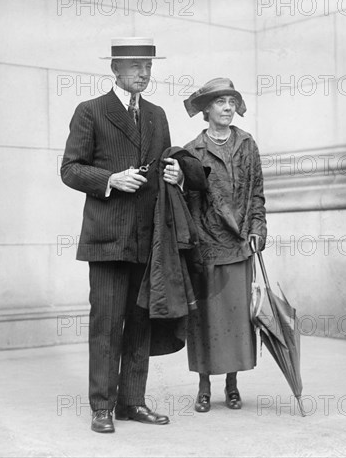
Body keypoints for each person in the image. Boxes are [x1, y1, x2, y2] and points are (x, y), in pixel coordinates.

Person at [60, 37, 183, 433]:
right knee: (107, 323)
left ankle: (132, 402)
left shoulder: (157, 115)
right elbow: (70, 169)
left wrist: (175, 174)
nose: (143, 74)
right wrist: (110, 179)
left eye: (147, 67)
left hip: (149, 237)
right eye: (134, 67)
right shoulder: (90, 111)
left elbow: (165, 164)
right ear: (115, 69)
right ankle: (102, 406)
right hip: (108, 237)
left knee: (140, 322)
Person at [182, 78, 267, 413]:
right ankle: (204, 387)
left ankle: (232, 386)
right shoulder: (192, 151)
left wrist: (258, 228)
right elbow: (189, 205)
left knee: (236, 319)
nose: (229, 108)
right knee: (204, 319)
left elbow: (258, 192)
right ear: (207, 109)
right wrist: (195, 244)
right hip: (206, 249)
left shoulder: (247, 144)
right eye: (221, 102)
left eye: (232, 102)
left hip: (240, 245)